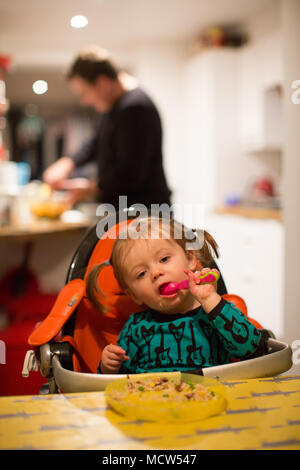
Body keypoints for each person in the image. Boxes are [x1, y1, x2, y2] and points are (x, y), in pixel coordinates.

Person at [86, 217, 268, 375]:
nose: (156, 273)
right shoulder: (136, 328)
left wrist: (210, 300)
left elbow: (253, 350)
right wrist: (109, 367)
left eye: (164, 259)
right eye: (141, 273)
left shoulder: (214, 313)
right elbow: (119, 384)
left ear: (190, 259)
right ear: (134, 294)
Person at [42, 45, 171, 208]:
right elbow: (96, 143)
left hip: (145, 214)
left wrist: (89, 188)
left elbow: (130, 175)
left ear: (102, 82)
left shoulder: (134, 108)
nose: (84, 101)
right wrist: (68, 162)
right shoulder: (114, 106)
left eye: (84, 93)